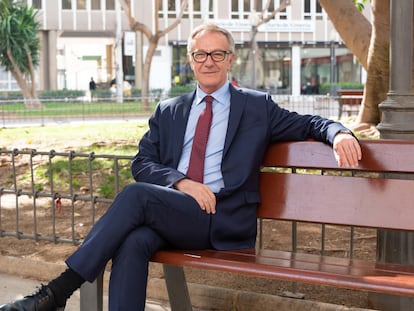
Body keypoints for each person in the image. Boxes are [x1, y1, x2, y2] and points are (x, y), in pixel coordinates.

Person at [0, 23, 361, 311]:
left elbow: (309, 123)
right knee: (134, 240)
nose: (208, 61)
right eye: (200, 54)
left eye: (217, 54)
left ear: (230, 59)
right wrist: (181, 183)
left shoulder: (256, 106)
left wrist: (340, 133)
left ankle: (58, 291)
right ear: (190, 60)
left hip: (224, 217)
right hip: (180, 212)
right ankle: (58, 295)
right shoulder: (169, 110)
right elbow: (142, 162)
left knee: (137, 197)